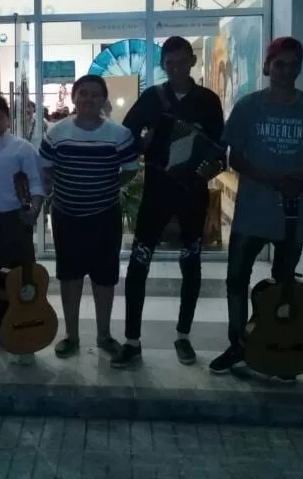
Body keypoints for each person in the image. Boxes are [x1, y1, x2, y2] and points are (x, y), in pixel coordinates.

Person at [113, 36, 224, 369]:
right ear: (163, 65)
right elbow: (126, 136)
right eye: (169, 63)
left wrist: (213, 167)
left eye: (181, 61)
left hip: (193, 193)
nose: (176, 68)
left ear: (192, 61)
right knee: (138, 264)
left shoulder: (208, 100)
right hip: (157, 191)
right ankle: (132, 341)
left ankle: (183, 336)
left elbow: (220, 149)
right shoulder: (152, 97)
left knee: (191, 264)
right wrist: (144, 142)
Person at [210, 37, 303, 377]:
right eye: (280, 64)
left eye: (293, 64)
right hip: (252, 212)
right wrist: (272, 179)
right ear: (267, 66)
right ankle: (238, 344)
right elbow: (234, 157)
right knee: (236, 279)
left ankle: (280, 345)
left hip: (294, 215)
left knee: (285, 284)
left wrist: (298, 179)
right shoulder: (249, 106)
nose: (286, 71)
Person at [40, 76, 139, 359]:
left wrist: (105, 186)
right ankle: (71, 336)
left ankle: (104, 335)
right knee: (69, 277)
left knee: (104, 278)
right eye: (83, 93)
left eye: (95, 94)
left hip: (105, 216)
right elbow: (46, 167)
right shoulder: (56, 132)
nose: (89, 99)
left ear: (104, 99)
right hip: (66, 216)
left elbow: (130, 169)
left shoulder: (119, 134)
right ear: (74, 98)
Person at [0, 95, 44, 365]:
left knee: (21, 280)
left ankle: (26, 340)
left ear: (8, 119)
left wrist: (33, 210)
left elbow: (36, 184)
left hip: (14, 222)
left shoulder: (21, 148)